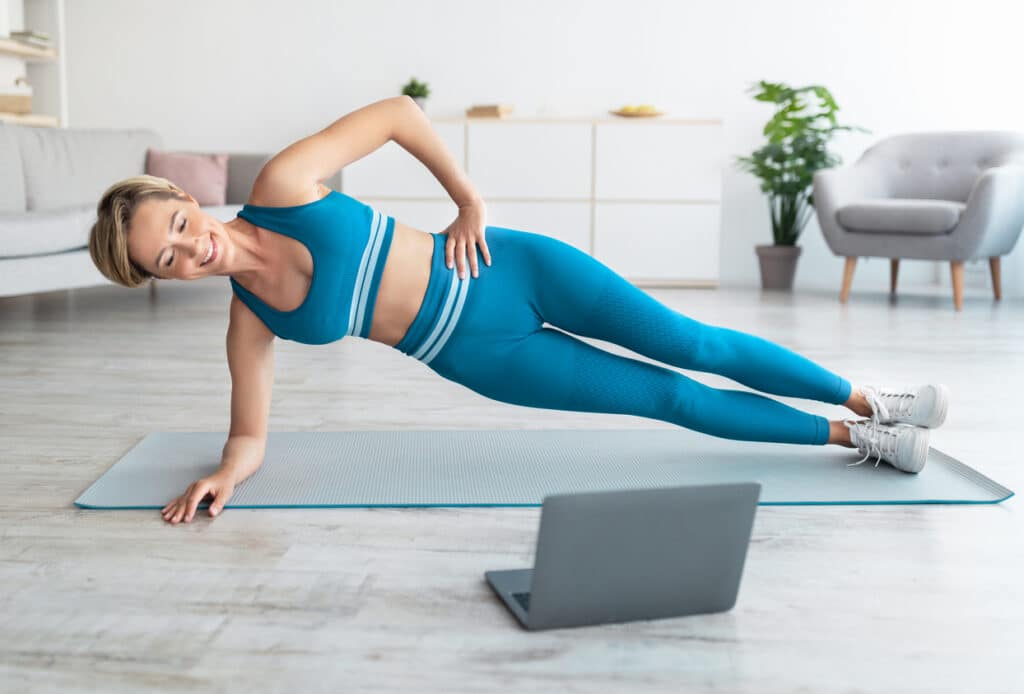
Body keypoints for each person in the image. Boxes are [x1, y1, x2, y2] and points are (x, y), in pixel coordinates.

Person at [87, 96, 950, 525]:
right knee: (668, 401)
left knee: (693, 342)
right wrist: (223, 478)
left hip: (512, 269)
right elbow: (249, 435)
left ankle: (868, 400)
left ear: (181, 198)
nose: (186, 247)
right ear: (164, 278)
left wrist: (466, 199)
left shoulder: (281, 186)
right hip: (482, 358)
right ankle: (854, 442)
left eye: (174, 224)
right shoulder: (251, 320)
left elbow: (396, 112)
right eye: (164, 259)